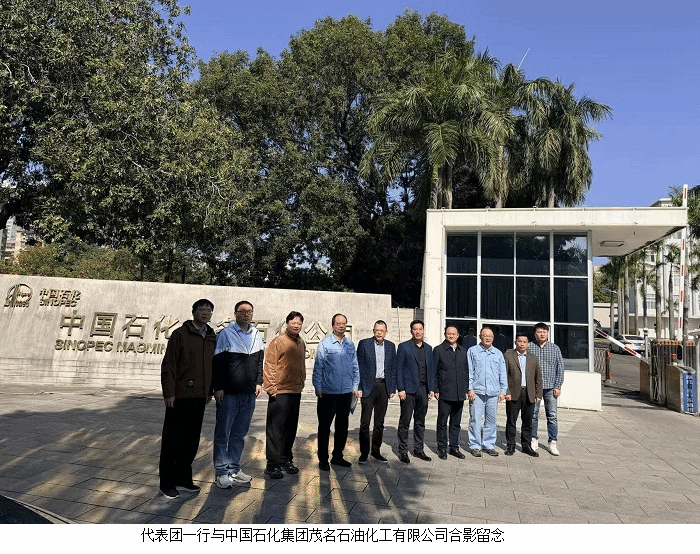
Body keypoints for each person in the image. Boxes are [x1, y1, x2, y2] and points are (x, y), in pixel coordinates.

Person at [159, 299, 216, 499]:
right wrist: (169, 393)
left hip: (200, 397)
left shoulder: (211, 336)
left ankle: (183, 479)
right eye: (202, 309)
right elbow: (169, 365)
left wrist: (210, 390)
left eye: (209, 310)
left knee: (191, 441)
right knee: (173, 441)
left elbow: (213, 366)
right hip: (180, 396)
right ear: (193, 312)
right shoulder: (180, 334)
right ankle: (167, 484)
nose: (206, 313)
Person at [212, 300, 264, 488]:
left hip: (248, 393)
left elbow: (259, 361)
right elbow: (217, 362)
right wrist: (218, 387)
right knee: (223, 434)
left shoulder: (256, 334)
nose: (246, 314)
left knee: (239, 434)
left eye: (249, 311)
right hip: (229, 393)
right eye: (242, 311)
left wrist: (259, 382)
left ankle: (234, 469)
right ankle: (221, 472)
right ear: (235, 314)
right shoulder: (226, 333)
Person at [312, 313, 360, 471]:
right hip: (328, 393)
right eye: (338, 323)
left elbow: (355, 366)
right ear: (333, 325)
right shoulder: (325, 344)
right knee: (324, 427)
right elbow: (318, 367)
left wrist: (355, 385)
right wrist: (318, 387)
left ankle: (337, 456)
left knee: (342, 427)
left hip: (345, 393)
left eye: (344, 324)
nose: (341, 326)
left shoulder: (350, 345)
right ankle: (323, 459)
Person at [263, 311, 307, 479]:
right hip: (280, 392)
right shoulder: (278, 341)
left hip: (295, 391)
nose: (296, 325)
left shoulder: (301, 342)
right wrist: (271, 387)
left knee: (290, 429)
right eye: (293, 322)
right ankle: (272, 464)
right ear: (287, 323)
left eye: (299, 323)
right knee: (276, 430)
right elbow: (270, 364)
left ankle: (285, 460)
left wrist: (302, 383)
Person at [396, 319, 436, 463]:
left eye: (420, 329)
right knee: (405, 421)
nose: (417, 332)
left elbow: (431, 370)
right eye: (415, 329)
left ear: (423, 331)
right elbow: (399, 369)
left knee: (420, 422)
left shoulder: (428, 348)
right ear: (411, 331)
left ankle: (418, 450)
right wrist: (401, 388)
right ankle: (403, 451)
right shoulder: (404, 347)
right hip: (408, 390)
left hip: (423, 390)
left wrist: (431, 388)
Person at [356, 320, 397, 464]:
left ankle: (376, 451)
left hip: (383, 387)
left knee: (379, 423)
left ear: (386, 332)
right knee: (365, 422)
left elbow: (393, 368)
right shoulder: (364, 344)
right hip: (368, 386)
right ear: (373, 330)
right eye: (377, 330)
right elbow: (358, 366)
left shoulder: (391, 346)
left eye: (382, 330)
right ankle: (364, 453)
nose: (379, 333)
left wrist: (392, 388)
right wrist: (358, 387)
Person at [467, 326, 507, 457]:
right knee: (475, 420)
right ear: (480, 337)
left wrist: (503, 390)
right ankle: (475, 446)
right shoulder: (472, 351)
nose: (487, 338)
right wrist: (470, 388)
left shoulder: (498, 353)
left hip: (493, 393)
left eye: (490, 336)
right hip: (477, 392)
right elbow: (469, 371)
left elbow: (502, 373)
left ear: (493, 338)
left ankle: (489, 445)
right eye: (485, 336)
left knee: (491, 420)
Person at [528, 322, 565, 456]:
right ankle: (533, 439)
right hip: (534, 387)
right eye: (539, 332)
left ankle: (552, 442)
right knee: (533, 415)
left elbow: (560, 368)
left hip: (550, 388)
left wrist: (558, 386)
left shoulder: (555, 348)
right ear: (535, 334)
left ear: (548, 333)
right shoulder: (530, 347)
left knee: (552, 415)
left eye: (544, 332)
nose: (542, 334)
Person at [504, 333, 542, 457]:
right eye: (519, 341)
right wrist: (506, 391)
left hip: (529, 393)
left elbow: (538, 378)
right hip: (513, 393)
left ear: (528, 344)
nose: (522, 344)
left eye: (524, 342)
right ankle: (510, 445)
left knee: (528, 422)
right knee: (511, 421)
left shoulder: (533, 358)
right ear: (515, 342)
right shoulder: (508, 356)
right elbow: (504, 375)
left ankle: (526, 445)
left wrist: (538, 394)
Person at [434, 325, 469, 459]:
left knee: (456, 423)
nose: (451, 336)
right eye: (449, 333)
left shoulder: (463, 351)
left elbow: (466, 371)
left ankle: (454, 447)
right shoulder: (438, 350)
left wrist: (466, 389)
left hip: (459, 393)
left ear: (458, 335)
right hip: (445, 392)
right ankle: (442, 448)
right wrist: (436, 389)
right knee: (442, 422)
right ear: (445, 335)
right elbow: (434, 371)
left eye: (454, 334)